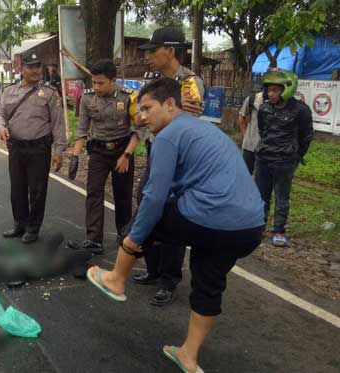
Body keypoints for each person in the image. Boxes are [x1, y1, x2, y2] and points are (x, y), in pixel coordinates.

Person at [86, 78, 264, 373]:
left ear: (170, 105)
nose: (141, 116)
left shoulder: (169, 135)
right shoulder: (208, 129)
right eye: (138, 110)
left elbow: (155, 196)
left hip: (210, 215)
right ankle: (188, 357)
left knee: (146, 217)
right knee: (208, 282)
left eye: (147, 108)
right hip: (249, 228)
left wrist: (134, 239)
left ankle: (116, 280)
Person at [130, 26, 206, 307]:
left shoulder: (190, 82)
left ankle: (169, 279)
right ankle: (152, 268)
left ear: (170, 51)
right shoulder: (152, 82)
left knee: (172, 211)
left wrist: (152, 113)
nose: (148, 57)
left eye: (153, 51)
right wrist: (148, 114)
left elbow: (191, 116)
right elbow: (136, 117)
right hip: (154, 149)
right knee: (146, 200)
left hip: (180, 155)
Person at [66, 60, 140, 254]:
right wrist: (75, 156)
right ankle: (93, 239)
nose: (96, 87)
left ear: (112, 81)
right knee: (93, 192)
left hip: (122, 150)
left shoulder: (127, 98)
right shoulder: (87, 99)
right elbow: (82, 130)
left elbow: (138, 130)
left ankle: (124, 234)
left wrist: (126, 155)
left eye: (100, 83)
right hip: (98, 150)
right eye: (94, 82)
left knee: (122, 195)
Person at [0, 49, 67, 244]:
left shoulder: (50, 94)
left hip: (39, 149)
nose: (35, 70)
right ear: (21, 68)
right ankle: (20, 224)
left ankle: (33, 228)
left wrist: (59, 151)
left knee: (37, 190)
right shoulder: (9, 91)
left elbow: (58, 124)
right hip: (16, 148)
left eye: (38, 67)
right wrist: (1, 128)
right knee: (17, 189)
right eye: (30, 67)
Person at [255, 69, 313, 247]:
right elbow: (262, 129)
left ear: (285, 89)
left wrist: (295, 156)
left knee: (282, 197)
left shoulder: (301, 110)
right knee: (260, 196)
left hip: (285, 161)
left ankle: (279, 230)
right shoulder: (264, 108)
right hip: (264, 158)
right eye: (269, 90)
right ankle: (258, 227)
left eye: (275, 90)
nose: (270, 94)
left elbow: (306, 136)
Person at [238, 91, 264, 174]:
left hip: (267, 148)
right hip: (250, 145)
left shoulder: (281, 102)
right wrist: (245, 135)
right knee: (246, 174)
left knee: (261, 178)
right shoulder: (253, 98)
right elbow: (241, 117)